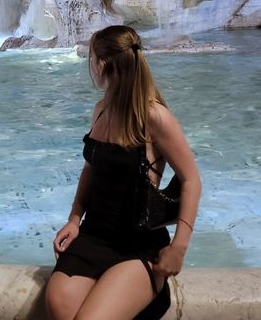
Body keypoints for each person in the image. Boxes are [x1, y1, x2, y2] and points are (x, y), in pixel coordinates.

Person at [46, 25, 201, 320]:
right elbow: (90, 170)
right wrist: (75, 218)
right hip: (94, 236)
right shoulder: (101, 110)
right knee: (60, 306)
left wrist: (179, 247)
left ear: (102, 64)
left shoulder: (154, 117)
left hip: (138, 245)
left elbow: (191, 180)